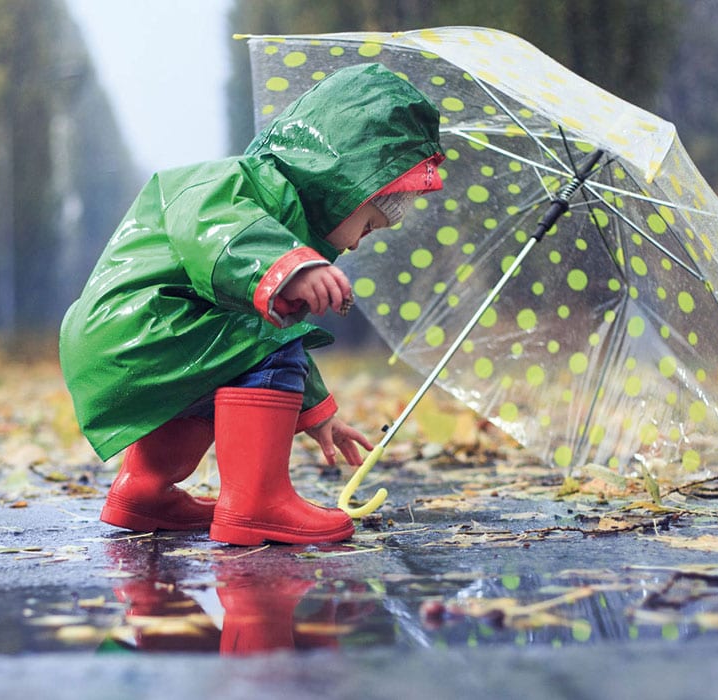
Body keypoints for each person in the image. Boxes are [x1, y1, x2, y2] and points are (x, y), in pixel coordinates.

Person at [60, 63, 444, 545]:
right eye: (368, 225)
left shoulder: (273, 205)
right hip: (142, 328)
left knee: (236, 348)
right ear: (349, 187)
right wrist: (291, 265)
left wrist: (319, 412)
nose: (359, 244)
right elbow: (216, 230)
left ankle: (143, 490)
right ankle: (255, 502)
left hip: (140, 337)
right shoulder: (241, 186)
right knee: (263, 327)